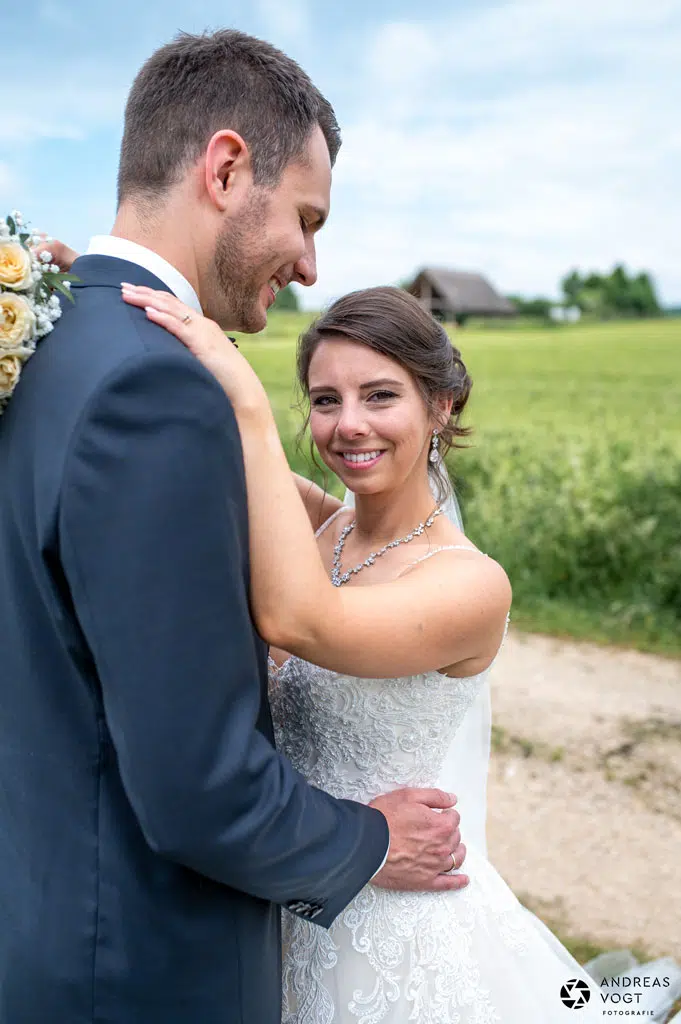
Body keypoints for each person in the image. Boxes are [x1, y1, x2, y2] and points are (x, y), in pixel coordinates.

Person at [0, 31, 468, 1024]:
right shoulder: (155, 386)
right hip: (141, 969)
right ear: (225, 168)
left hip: (47, 920)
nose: (308, 263)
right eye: (305, 218)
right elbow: (197, 785)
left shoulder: (46, 339)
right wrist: (367, 843)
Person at [119, 280, 681, 1022]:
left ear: (441, 405)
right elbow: (209, 444)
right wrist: (83, 294)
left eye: (379, 396)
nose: (348, 425)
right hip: (289, 897)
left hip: (397, 936)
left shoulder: (471, 585)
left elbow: (300, 621)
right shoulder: (327, 527)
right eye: (324, 401)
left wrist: (253, 407)